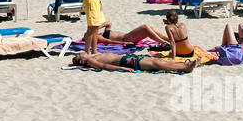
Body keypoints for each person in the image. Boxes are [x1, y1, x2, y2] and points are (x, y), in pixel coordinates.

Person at [100, 11, 195, 58]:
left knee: (151, 29)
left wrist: (97, 27)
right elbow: (108, 41)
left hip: (129, 36)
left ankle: (165, 42)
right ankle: (163, 42)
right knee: (145, 27)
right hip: (126, 39)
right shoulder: (99, 37)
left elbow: (108, 23)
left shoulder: (106, 30)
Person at [70, 50, 198, 73]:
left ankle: (185, 65)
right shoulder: (92, 61)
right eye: (79, 55)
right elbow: (105, 65)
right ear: (82, 61)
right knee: (156, 64)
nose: (81, 52)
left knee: (156, 61)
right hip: (127, 63)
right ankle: (184, 68)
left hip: (128, 58)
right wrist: (125, 69)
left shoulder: (93, 55)